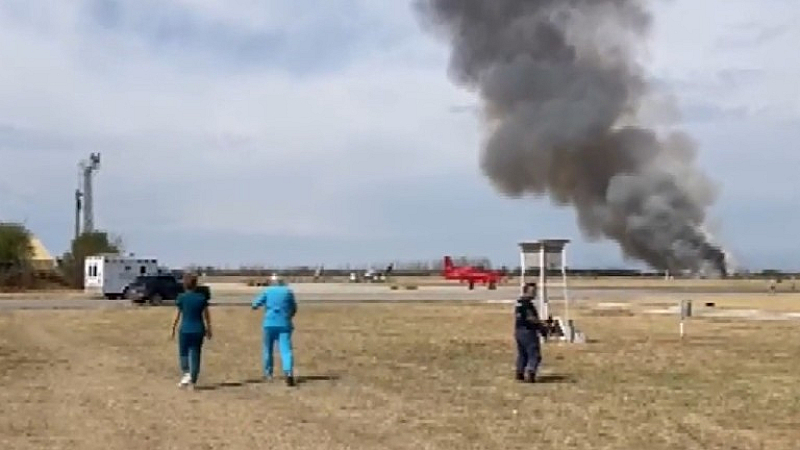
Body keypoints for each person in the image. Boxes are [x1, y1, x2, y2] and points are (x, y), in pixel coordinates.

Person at [251, 273, 297, 386]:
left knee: (267, 349)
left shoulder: (268, 291)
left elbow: (255, 304)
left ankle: (268, 373)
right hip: (284, 323)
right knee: (286, 350)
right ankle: (288, 372)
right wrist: (288, 315)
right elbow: (294, 308)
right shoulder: (288, 292)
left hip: (269, 323)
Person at [170, 273, 212, 390]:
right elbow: (206, 316)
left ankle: (186, 373)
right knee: (195, 354)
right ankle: (193, 380)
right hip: (198, 329)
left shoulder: (181, 298)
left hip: (185, 329)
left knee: (183, 353)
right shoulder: (201, 298)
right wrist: (209, 329)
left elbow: (177, 315)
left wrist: (173, 328)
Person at [514, 282, 543, 383]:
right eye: (533, 291)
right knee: (534, 354)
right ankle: (531, 372)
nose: (535, 294)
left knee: (523, 354)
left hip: (518, 331)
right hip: (528, 331)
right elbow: (530, 318)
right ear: (526, 291)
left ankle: (520, 372)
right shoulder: (527, 304)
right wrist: (541, 326)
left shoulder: (519, 302)